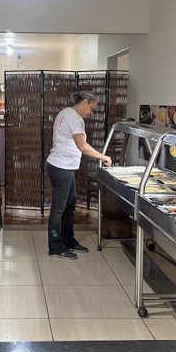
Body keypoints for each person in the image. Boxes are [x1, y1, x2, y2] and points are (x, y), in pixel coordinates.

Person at [46, 91, 112, 260]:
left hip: (62, 166)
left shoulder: (65, 112)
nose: (92, 112)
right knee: (59, 208)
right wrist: (103, 157)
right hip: (61, 167)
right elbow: (82, 146)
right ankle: (55, 247)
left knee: (69, 205)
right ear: (84, 102)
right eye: (92, 108)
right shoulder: (75, 119)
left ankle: (68, 240)